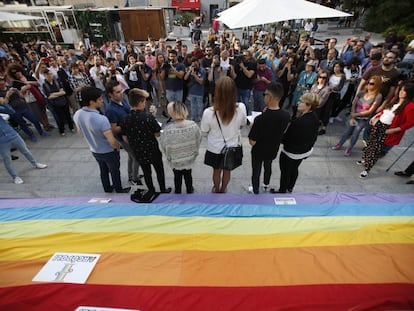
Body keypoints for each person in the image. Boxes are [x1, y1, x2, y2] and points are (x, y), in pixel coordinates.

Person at [73, 86, 130, 193]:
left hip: (94, 149)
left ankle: (107, 188)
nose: (102, 101)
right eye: (99, 99)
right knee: (114, 170)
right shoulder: (101, 119)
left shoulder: (78, 114)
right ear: (91, 102)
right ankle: (118, 188)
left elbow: (80, 132)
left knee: (103, 170)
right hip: (108, 150)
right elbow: (111, 140)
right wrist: (118, 147)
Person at [200, 76, 247, 193]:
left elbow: (204, 131)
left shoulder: (208, 112)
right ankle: (223, 189)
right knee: (227, 171)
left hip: (215, 148)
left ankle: (216, 189)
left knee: (216, 171)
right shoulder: (241, 107)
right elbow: (242, 124)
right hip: (232, 146)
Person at [120, 88, 171, 194]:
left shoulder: (125, 118)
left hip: (138, 151)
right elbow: (157, 133)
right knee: (159, 171)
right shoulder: (148, 117)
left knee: (146, 173)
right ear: (140, 102)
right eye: (144, 101)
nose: (145, 103)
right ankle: (162, 189)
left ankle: (151, 190)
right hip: (152, 149)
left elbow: (125, 138)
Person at [358, 83, 414, 178]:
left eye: (404, 90)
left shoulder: (410, 106)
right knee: (370, 143)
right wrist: (377, 116)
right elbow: (385, 110)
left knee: (376, 149)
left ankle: (367, 169)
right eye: (400, 89)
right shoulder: (395, 100)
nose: (401, 92)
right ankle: (365, 159)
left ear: (409, 93)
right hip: (379, 124)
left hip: (388, 129)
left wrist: (394, 130)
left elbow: (409, 123)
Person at [271, 92, 320, 193]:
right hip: (304, 151)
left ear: (308, 105)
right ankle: (290, 187)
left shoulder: (298, 123)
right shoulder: (315, 117)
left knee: (285, 172)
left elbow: (286, 139)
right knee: (295, 169)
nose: (298, 103)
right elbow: (314, 136)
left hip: (291, 153)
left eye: (301, 102)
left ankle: (282, 190)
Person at [248, 82, 290, 194]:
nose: (264, 96)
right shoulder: (286, 115)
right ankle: (266, 184)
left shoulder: (260, 119)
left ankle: (255, 190)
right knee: (268, 166)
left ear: (269, 97)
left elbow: (252, 142)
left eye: (264, 94)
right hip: (273, 148)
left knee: (256, 170)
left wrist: (252, 126)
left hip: (259, 150)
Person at [332, 75, 382, 156]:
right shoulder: (362, 92)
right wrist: (352, 114)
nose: (369, 85)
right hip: (354, 115)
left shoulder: (378, 96)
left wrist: (355, 114)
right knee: (347, 131)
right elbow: (354, 103)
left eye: (372, 83)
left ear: (377, 85)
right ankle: (340, 144)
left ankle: (349, 148)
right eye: (368, 82)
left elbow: (370, 111)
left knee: (356, 133)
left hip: (363, 119)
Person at [0, 102, 47, 184]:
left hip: (12, 133)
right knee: (7, 159)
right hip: (1, 140)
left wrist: (3, 103)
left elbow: (11, 111)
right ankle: (15, 176)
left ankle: (35, 163)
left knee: (25, 150)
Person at [160, 101, 201, 193]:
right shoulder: (193, 125)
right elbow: (198, 139)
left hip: (175, 160)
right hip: (189, 158)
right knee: (188, 175)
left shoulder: (168, 130)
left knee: (177, 176)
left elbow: (164, 145)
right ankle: (189, 190)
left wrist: (169, 156)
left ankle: (178, 191)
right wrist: (194, 151)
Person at [105, 81, 141, 186]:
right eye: (117, 92)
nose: (121, 93)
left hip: (131, 135)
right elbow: (113, 129)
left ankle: (132, 175)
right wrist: (129, 123)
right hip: (124, 138)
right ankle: (134, 178)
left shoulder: (123, 100)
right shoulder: (110, 110)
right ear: (110, 94)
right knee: (136, 157)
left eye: (121, 91)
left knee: (132, 156)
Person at [42, 68, 74, 136]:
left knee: (68, 116)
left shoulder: (57, 82)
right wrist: (58, 93)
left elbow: (63, 92)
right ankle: (62, 130)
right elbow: (49, 96)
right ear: (45, 75)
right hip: (55, 104)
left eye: (51, 74)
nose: (50, 75)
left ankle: (71, 127)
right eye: (48, 74)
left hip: (64, 102)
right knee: (59, 118)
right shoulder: (45, 85)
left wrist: (54, 94)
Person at [184, 57, 206, 122]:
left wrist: (194, 75)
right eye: (192, 62)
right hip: (191, 91)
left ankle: (200, 117)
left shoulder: (202, 70)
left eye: (195, 62)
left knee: (200, 106)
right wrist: (189, 71)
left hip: (199, 91)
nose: (194, 64)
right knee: (192, 106)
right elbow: (185, 78)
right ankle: (193, 117)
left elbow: (201, 81)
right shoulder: (190, 69)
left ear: (198, 62)